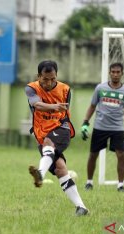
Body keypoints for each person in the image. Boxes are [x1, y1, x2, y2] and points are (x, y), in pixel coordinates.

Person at [25, 60, 89, 216]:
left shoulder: (65, 90)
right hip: (42, 134)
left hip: (61, 128)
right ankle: (81, 207)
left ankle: (40, 173)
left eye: (53, 78)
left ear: (56, 76)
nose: (49, 82)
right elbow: (37, 105)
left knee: (49, 143)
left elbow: (64, 110)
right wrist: (54, 106)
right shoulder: (31, 89)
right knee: (60, 168)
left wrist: (57, 109)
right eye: (45, 79)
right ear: (38, 76)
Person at [81, 62, 124, 192]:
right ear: (109, 73)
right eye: (113, 72)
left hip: (117, 129)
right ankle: (89, 182)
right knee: (93, 155)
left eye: (118, 72)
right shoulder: (100, 88)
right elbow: (92, 106)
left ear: (122, 73)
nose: (115, 74)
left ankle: (120, 185)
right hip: (100, 127)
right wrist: (85, 123)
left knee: (121, 155)